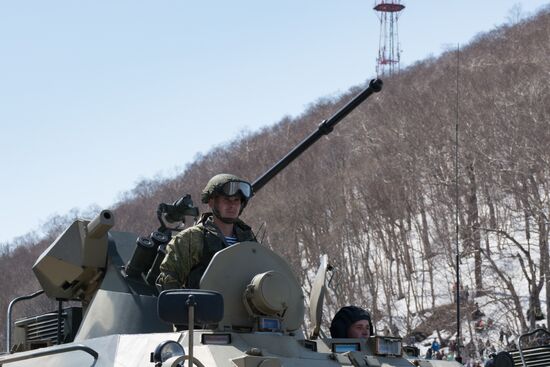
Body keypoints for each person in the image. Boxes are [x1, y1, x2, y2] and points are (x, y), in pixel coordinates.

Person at [157, 173, 256, 289]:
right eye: (226, 200)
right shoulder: (190, 238)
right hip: (202, 306)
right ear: (211, 202)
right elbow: (169, 285)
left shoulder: (249, 239)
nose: (232, 205)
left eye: (236, 200)